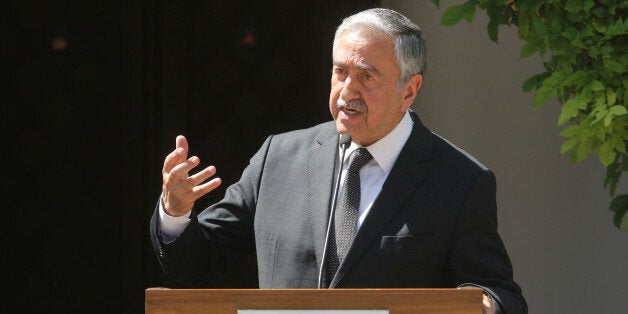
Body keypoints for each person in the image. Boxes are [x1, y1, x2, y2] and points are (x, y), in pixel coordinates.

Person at [150, 8, 527, 314]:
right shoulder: (278, 158)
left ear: (409, 89)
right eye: (340, 71)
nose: (348, 90)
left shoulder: (459, 180)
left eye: (366, 76)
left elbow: (498, 292)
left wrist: (482, 305)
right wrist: (176, 211)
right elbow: (195, 264)